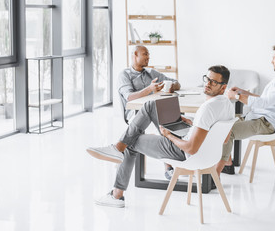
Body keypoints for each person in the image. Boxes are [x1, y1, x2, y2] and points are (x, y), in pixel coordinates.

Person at [87, 65, 235, 208]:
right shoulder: (228, 105)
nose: (208, 84)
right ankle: (118, 149)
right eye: (207, 79)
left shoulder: (207, 108)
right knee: (151, 106)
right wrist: (193, 125)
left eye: (213, 82)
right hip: (206, 153)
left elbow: (191, 148)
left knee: (132, 140)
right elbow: (225, 139)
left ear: (223, 87)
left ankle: (116, 194)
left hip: (184, 152)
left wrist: (169, 135)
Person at [217, 42, 275, 175]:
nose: (272, 60)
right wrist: (243, 92)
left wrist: (237, 97)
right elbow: (264, 98)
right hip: (257, 117)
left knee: (228, 131)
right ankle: (227, 162)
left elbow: (264, 103)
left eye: (274, 57)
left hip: (266, 123)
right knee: (220, 122)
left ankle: (216, 174)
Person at [118, 45, 181, 180]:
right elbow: (129, 97)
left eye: (148, 54)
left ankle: (171, 163)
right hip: (135, 114)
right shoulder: (124, 74)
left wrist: (171, 86)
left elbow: (176, 83)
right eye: (145, 54)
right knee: (165, 119)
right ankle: (171, 164)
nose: (148, 57)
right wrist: (149, 89)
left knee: (170, 117)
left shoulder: (151, 73)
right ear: (135, 55)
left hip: (155, 111)